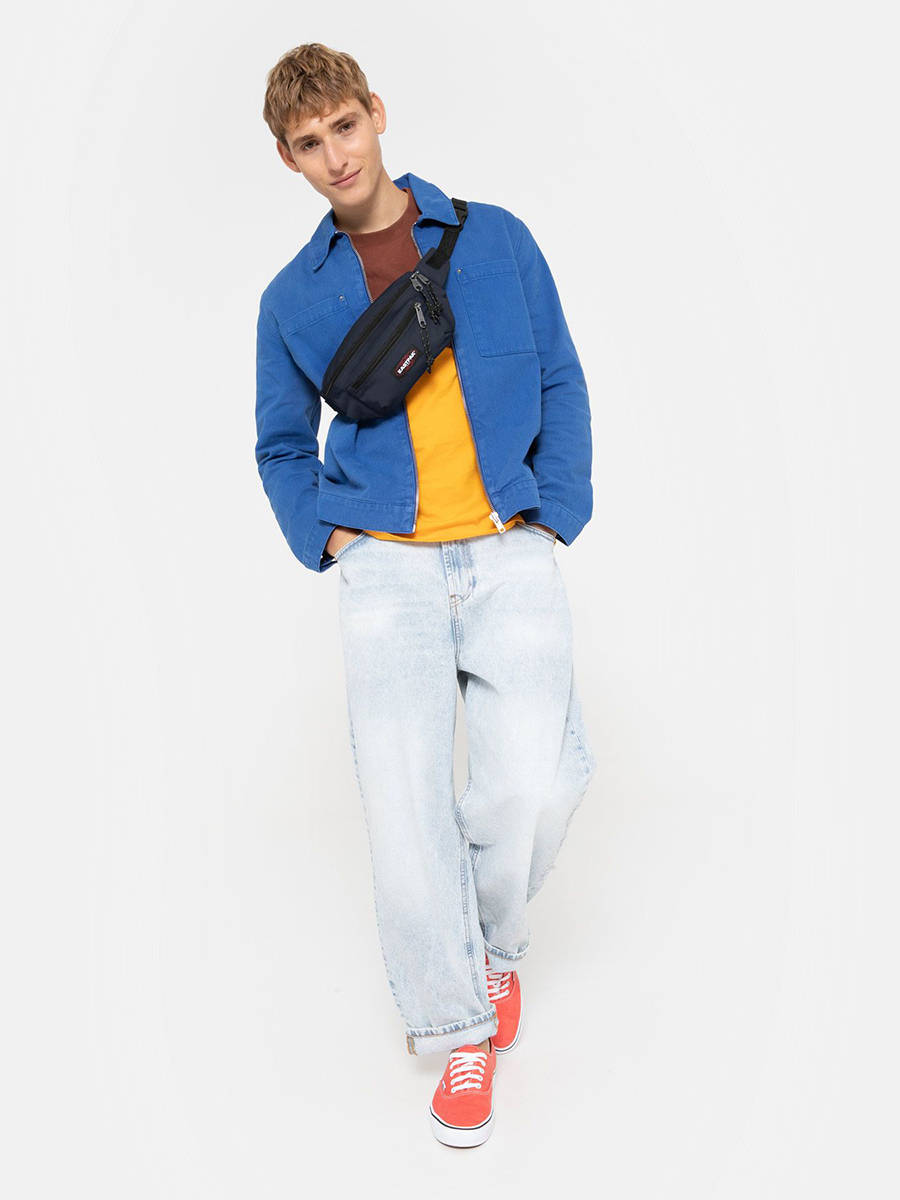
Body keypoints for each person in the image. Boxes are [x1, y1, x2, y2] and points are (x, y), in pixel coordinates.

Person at [256, 42, 597, 1148]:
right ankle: (459, 1025)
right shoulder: (290, 298)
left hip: (506, 543)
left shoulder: (495, 238)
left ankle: (493, 946)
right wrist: (331, 537)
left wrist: (556, 509)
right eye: (309, 144)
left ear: (376, 113)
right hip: (388, 570)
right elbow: (279, 444)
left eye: (344, 127)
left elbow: (559, 372)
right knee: (406, 810)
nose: (335, 156)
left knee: (536, 784)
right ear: (289, 159)